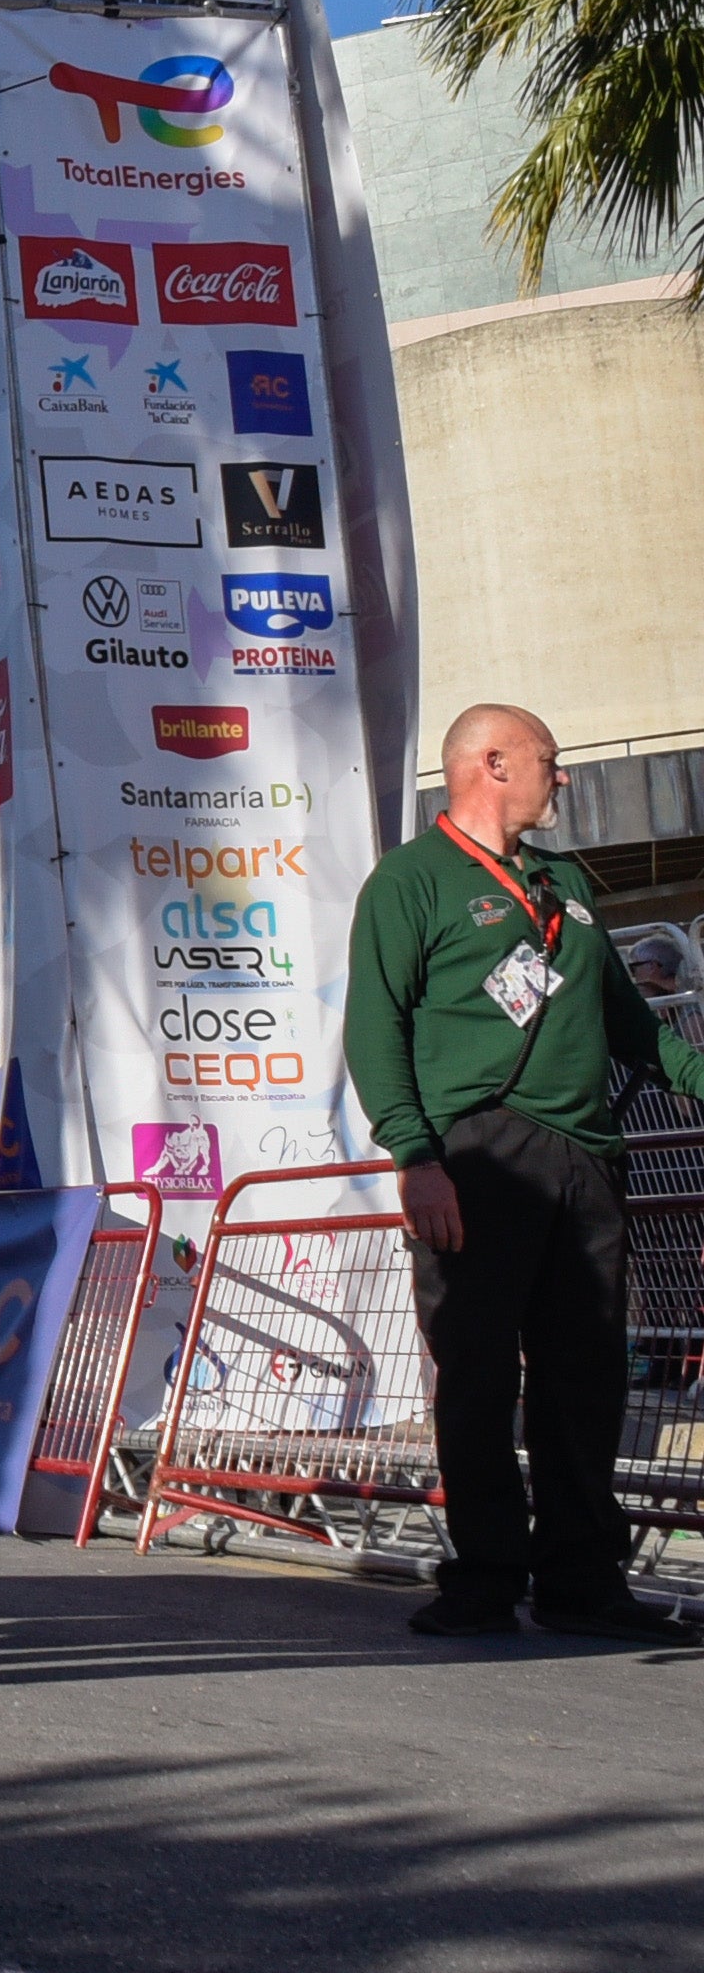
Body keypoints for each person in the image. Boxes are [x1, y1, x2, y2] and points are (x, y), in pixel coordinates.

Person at [353, 703, 704, 1645]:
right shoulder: (411, 881)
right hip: (479, 1154)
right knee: (476, 1369)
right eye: (552, 761)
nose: (564, 779)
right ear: (493, 763)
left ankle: (584, 1585)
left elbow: (634, 1030)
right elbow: (375, 1028)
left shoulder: (564, 881)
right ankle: (484, 1579)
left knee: (585, 1374)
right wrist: (416, 1157)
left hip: (586, 1155)